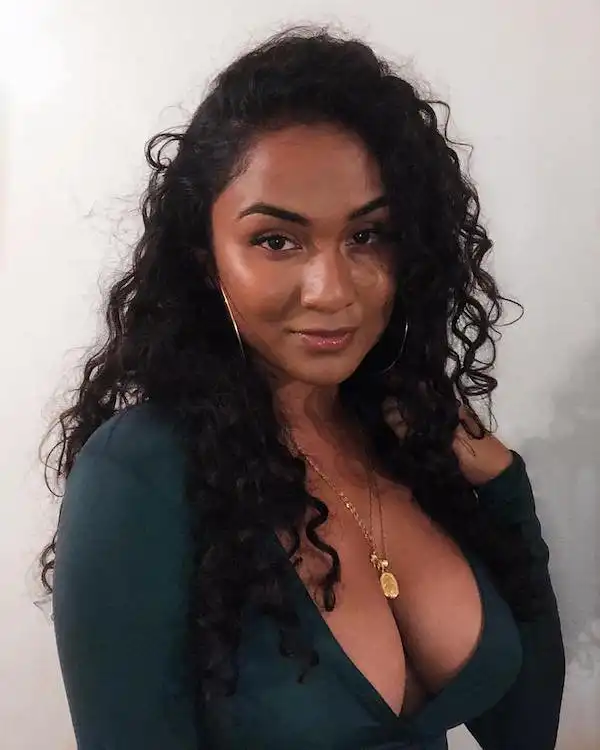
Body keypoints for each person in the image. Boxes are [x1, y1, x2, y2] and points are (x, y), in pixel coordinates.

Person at [40, 26, 565, 750]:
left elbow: (524, 731)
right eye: (276, 241)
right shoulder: (140, 472)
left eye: (367, 235)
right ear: (207, 260)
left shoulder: (403, 435)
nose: (331, 291)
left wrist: (504, 486)